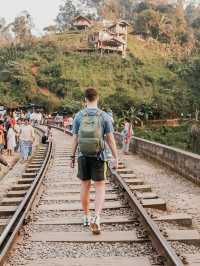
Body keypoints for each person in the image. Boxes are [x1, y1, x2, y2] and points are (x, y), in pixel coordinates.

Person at [71, 87, 118, 235]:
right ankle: (96, 218)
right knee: (100, 186)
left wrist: (72, 157)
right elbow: (110, 139)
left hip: (83, 155)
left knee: (85, 185)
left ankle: (86, 216)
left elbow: (75, 139)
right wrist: (116, 157)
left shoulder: (78, 116)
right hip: (100, 155)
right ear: (97, 98)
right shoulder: (104, 116)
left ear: (85, 99)